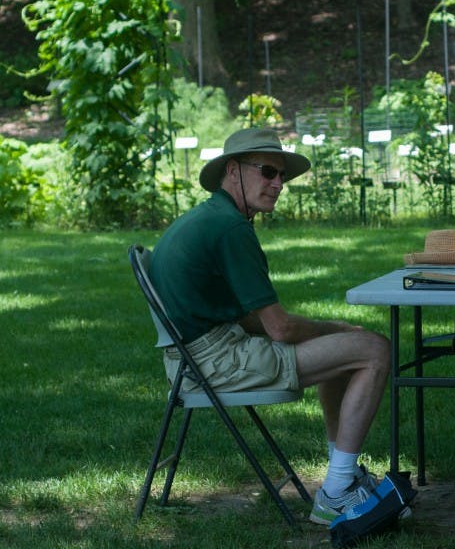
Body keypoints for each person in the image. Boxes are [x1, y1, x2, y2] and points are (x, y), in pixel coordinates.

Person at [149, 128, 391, 525]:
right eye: (267, 172)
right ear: (233, 170)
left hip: (190, 361)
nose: (278, 184)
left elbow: (247, 318)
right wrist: (337, 329)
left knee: (345, 349)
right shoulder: (231, 229)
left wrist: (332, 332)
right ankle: (337, 492)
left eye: (281, 175)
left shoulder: (210, 217)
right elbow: (278, 329)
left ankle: (340, 477)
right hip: (213, 363)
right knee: (375, 350)